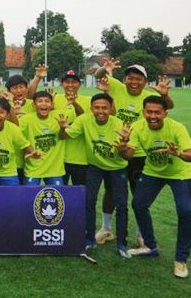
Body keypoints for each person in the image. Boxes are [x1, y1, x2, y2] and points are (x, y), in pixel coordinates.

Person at [95, 59, 174, 246]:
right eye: (131, 78)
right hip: (115, 150)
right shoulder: (117, 87)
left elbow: (168, 106)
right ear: (124, 79)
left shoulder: (148, 97)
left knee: (138, 195)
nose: (134, 82)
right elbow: (98, 75)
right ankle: (106, 229)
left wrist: (165, 95)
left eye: (139, 79)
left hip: (138, 154)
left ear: (145, 82)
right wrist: (104, 69)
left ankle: (141, 234)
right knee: (111, 191)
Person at [120, 96, 191, 278]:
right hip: (153, 171)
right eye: (149, 112)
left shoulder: (177, 128)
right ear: (143, 112)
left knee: (185, 211)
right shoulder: (137, 127)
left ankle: (181, 259)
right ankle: (150, 246)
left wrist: (179, 153)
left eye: (157, 112)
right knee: (139, 204)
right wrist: (122, 146)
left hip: (180, 173)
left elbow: (190, 155)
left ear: (165, 113)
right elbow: (128, 155)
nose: (152, 116)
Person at [59, 93, 132, 257]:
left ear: (111, 109)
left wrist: (123, 147)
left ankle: (122, 244)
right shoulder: (84, 119)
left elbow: (127, 156)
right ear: (91, 108)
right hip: (95, 167)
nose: (101, 111)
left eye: (105, 108)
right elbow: (65, 135)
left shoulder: (120, 125)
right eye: (97, 107)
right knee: (89, 201)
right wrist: (63, 127)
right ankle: (89, 239)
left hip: (117, 168)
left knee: (121, 205)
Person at [28, 66, 90, 185]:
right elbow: (31, 98)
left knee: (81, 194)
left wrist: (75, 103)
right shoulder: (53, 99)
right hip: (58, 159)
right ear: (62, 84)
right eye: (67, 82)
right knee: (59, 195)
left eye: (74, 82)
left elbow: (83, 119)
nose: (70, 85)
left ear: (80, 84)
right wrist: (38, 77)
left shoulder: (88, 100)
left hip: (80, 158)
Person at [0, 98, 39, 186]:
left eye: (1, 112)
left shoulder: (13, 129)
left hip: (8, 172)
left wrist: (34, 153)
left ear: (8, 115)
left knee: (12, 198)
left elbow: (25, 145)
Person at [20, 91, 65, 185]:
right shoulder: (26, 119)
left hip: (54, 170)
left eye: (47, 101)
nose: (44, 103)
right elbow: (16, 136)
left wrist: (62, 128)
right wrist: (29, 150)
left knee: (57, 198)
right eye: (40, 101)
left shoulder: (59, 116)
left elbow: (80, 114)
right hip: (33, 169)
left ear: (52, 105)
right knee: (29, 198)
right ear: (33, 105)